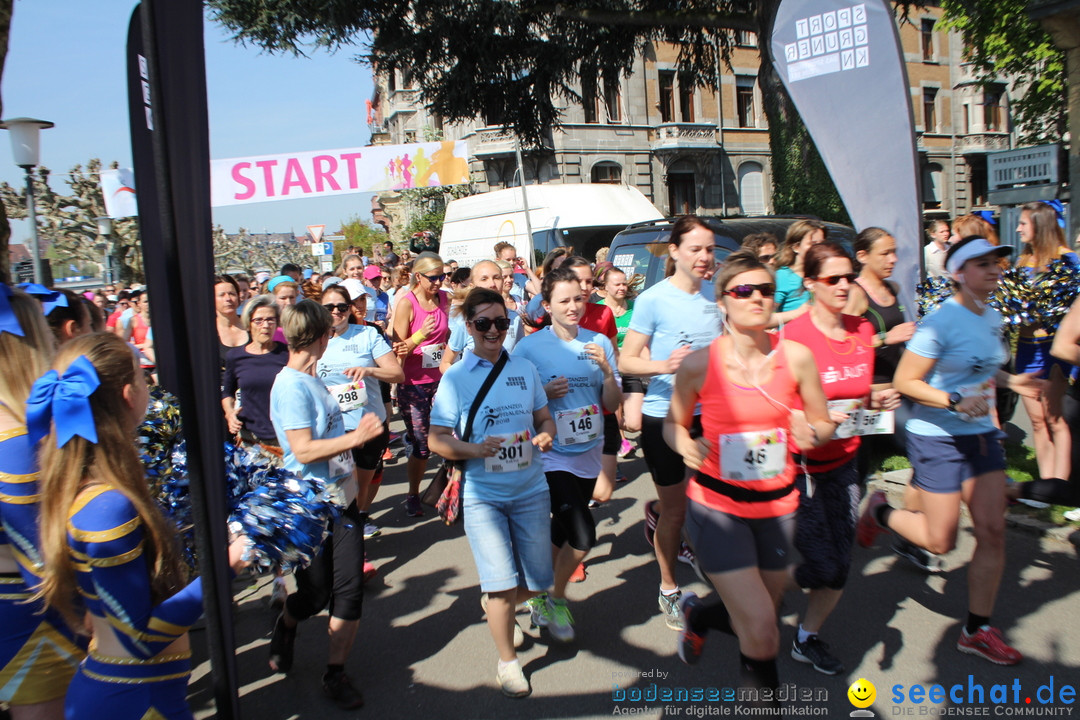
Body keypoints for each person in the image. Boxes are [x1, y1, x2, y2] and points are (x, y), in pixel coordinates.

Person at [34, 332, 249, 720]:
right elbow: (140, 638)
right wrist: (228, 563)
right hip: (134, 701)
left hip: (137, 694)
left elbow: (94, 612)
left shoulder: (88, 490)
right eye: (142, 375)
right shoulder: (107, 506)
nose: (150, 386)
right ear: (129, 394)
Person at [859, 236, 1046, 666]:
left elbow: (981, 367)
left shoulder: (992, 315)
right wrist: (955, 400)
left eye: (996, 262)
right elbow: (907, 382)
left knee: (991, 529)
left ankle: (976, 630)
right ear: (959, 273)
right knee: (941, 541)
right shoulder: (940, 323)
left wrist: (1012, 381)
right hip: (938, 437)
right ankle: (881, 513)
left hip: (981, 436)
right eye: (982, 264)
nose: (995, 269)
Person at [663, 251, 833, 699]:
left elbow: (824, 424)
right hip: (717, 508)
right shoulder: (700, 364)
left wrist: (812, 432)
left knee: (758, 618)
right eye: (744, 291)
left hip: (778, 507)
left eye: (765, 290)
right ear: (722, 301)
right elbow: (673, 424)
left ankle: (700, 616)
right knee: (762, 629)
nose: (757, 298)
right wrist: (683, 443)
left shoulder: (796, 358)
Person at [428, 288, 556, 697]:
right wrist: (473, 450)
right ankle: (507, 661)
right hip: (482, 493)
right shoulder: (456, 377)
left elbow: (543, 417)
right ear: (468, 327)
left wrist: (546, 435)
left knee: (538, 580)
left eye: (501, 323)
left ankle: (499, 604)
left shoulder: (524, 368)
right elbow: (435, 439)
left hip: (531, 490)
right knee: (501, 584)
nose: (493, 331)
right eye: (483, 323)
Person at [783, 242, 901, 675]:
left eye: (848, 277)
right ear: (810, 283)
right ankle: (754, 583)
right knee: (822, 563)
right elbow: (780, 404)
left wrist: (877, 400)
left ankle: (805, 637)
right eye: (832, 278)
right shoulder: (795, 336)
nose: (843, 285)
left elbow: (859, 396)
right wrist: (810, 418)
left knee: (840, 566)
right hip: (801, 469)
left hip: (848, 463)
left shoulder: (863, 330)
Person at [267, 300, 384, 708]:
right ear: (321, 337)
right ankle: (287, 622)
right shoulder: (290, 385)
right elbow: (302, 449)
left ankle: (335, 673)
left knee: (349, 591)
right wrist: (355, 438)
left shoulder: (311, 377)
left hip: (344, 501)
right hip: (310, 507)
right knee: (315, 595)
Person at [618, 215, 721, 629]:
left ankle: (665, 514)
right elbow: (627, 359)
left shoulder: (718, 295)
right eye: (695, 249)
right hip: (663, 418)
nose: (704, 257)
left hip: (711, 415)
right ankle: (668, 588)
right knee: (678, 512)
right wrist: (664, 364)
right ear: (675, 251)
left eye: (710, 249)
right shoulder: (653, 299)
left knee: (712, 504)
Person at [513, 268, 622, 641]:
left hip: (588, 452)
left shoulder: (598, 343)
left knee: (559, 532)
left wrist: (608, 373)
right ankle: (555, 599)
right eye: (564, 300)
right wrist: (544, 392)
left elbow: (610, 403)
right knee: (582, 535)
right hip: (551, 453)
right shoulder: (529, 347)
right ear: (547, 306)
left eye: (579, 298)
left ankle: (532, 592)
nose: (574, 306)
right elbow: (513, 401)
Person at [0, 287, 85, 720]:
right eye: (45, 337)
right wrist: (91, 626)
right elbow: (40, 564)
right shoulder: (13, 438)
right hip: (37, 624)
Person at [843, 228, 928, 570]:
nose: (893, 259)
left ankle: (906, 532)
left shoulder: (892, 289)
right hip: (867, 397)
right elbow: (843, 348)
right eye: (885, 254)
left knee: (924, 454)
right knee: (855, 472)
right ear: (862, 256)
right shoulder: (854, 294)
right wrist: (885, 337)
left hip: (897, 392)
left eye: (895, 252)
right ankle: (851, 525)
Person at [315, 284, 403, 573]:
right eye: (329, 308)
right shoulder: (315, 341)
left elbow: (396, 373)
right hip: (334, 433)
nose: (337, 312)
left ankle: (355, 534)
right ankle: (352, 556)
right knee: (347, 492)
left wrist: (369, 371)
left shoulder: (367, 335)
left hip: (369, 426)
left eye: (342, 306)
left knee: (361, 490)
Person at [1014, 201, 1077, 480]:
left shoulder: (1069, 260)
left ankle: (1059, 485)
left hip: (1054, 349)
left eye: (1023, 223)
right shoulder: (1023, 261)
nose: (1017, 228)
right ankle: (1043, 482)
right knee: (1038, 421)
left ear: (1040, 225)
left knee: (1056, 419)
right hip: (1027, 350)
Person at [392, 253, 452, 517]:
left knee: (450, 436)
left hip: (441, 379)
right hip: (413, 383)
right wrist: (419, 336)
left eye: (442, 277)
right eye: (433, 278)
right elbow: (397, 352)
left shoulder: (444, 299)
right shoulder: (407, 304)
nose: (439, 282)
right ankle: (413, 493)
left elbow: (450, 334)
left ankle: (450, 489)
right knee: (422, 446)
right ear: (419, 276)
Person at [222, 296, 289, 455]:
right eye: (259, 320)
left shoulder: (287, 353)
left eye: (270, 320)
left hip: (283, 437)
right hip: (250, 438)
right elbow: (227, 392)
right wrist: (230, 413)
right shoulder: (235, 356)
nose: (265, 326)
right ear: (249, 323)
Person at [772, 219, 827, 317]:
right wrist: (798, 313)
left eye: (822, 244)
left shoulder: (826, 275)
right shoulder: (783, 276)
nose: (819, 248)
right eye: (813, 244)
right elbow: (765, 318)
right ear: (796, 247)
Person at [215, 275, 248, 374]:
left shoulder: (251, 325)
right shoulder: (206, 331)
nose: (228, 298)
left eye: (232, 294)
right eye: (222, 295)